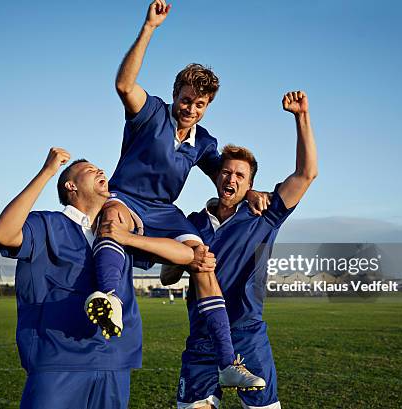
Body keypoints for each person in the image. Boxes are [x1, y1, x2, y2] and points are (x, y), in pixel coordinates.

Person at [85, 0, 268, 389]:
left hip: (164, 212)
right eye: (187, 100)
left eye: (200, 104)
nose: (191, 109)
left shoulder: (204, 142)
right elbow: (123, 84)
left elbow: (228, 175)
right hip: (126, 198)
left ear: (207, 106)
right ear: (175, 94)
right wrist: (150, 27)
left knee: (203, 261)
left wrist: (253, 192)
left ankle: (226, 363)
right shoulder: (149, 112)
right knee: (112, 218)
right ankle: (108, 298)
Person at [0, 148, 193, 409]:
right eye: (89, 169)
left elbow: (185, 255)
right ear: (70, 186)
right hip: (57, 359)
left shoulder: (117, 232)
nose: (100, 171)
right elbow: (3, 234)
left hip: (114, 361)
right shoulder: (47, 224)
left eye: (100, 168)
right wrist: (47, 172)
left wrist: (128, 238)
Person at [162, 91, 318, 408]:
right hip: (202, 339)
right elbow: (166, 277)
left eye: (240, 175)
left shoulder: (264, 214)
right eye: (226, 172)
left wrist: (301, 117)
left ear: (249, 185)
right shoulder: (191, 224)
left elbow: (306, 175)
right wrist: (185, 258)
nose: (231, 178)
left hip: (247, 335)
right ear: (217, 177)